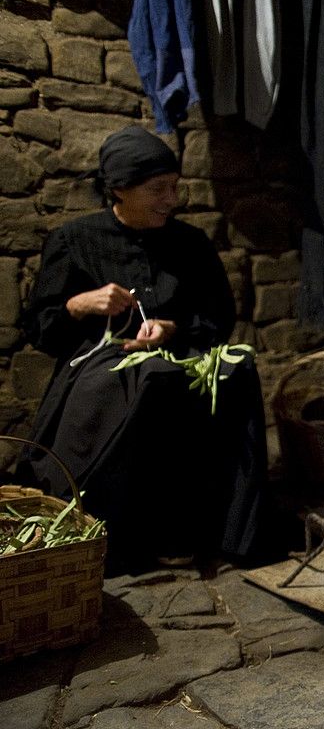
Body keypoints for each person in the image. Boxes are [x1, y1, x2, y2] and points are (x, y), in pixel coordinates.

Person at [19, 125, 270, 571]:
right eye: (158, 190)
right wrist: (79, 304)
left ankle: (225, 531)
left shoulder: (190, 243)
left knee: (239, 371)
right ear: (118, 190)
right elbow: (43, 330)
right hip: (102, 362)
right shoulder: (75, 241)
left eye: (173, 188)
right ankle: (129, 535)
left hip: (181, 352)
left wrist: (171, 328)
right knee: (151, 378)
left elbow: (218, 319)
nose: (171, 200)